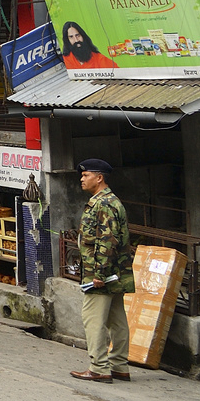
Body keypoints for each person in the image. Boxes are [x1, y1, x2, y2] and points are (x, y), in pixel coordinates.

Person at [71, 158, 135, 383]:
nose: (82, 178)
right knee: (116, 319)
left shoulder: (103, 204)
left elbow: (106, 241)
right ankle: (119, 366)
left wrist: (99, 275)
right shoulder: (107, 201)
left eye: (86, 175)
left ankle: (99, 367)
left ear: (99, 178)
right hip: (115, 273)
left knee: (93, 318)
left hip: (103, 274)